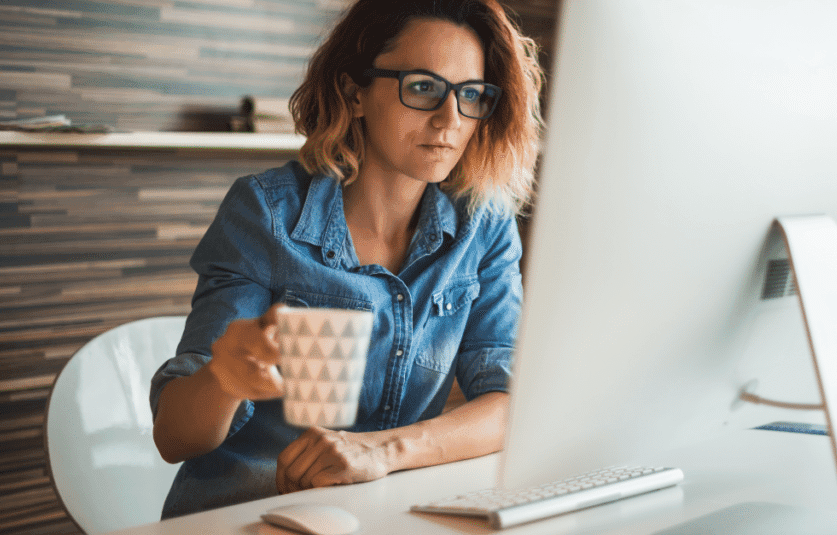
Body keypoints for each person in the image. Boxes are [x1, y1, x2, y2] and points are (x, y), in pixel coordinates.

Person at [149, 0, 543, 518]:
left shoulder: (483, 224)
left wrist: (384, 450)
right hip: (244, 516)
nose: (450, 119)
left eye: (471, 95)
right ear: (354, 92)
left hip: (381, 518)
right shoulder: (266, 213)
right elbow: (175, 438)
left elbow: (511, 405)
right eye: (423, 87)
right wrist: (223, 380)